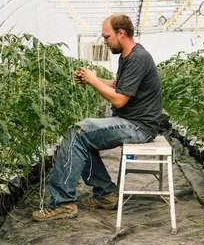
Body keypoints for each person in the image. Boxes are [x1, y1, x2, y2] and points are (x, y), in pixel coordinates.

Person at [32, 14, 162, 221]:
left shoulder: (138, 57)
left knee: (77, 132)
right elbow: (117, 85)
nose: (105, 41)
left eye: (107, 37)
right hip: (132, 122)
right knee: (82, 139)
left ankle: (62, 203)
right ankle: (106, 194)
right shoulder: (127, 56)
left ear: (121, 33)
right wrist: (90, 78)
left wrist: (93, 81)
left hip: (139, 126)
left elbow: (119, 100)